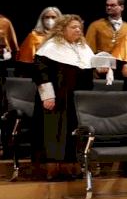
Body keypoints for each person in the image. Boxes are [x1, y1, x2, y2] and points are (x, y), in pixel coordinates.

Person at [34, 15, 108, 180]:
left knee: (75, 131)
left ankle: (73, 168)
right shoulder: (50, 47)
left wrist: (100, 69)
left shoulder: (83, 48)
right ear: (62, 29)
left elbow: (88, 69)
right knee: (55, 132)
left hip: (78, 99)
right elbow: (41, 73)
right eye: (73, 27)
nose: (78, 30)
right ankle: (54, 170)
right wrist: (47, 96)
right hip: (57, 98)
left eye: (79, 27)